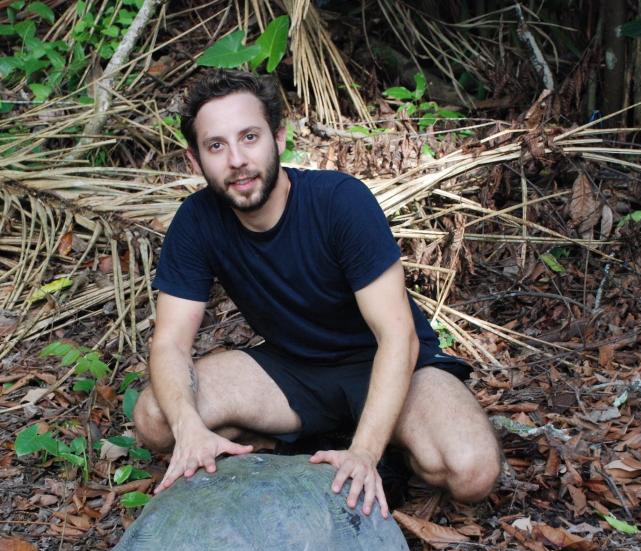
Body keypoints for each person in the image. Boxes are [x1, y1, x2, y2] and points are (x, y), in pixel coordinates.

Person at [133, 70, 501, 519]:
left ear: (278, 138)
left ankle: (382, 445)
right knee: (156, 417)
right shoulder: (196, 221)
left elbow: (397, 336)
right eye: (216, 146)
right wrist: (189, 427)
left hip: (388, 367)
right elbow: (170, 342)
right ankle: (310, 440)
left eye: (249, 137)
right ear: (195, 162)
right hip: (296, 375)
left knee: (472, 471)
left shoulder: (339, 202)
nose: (236, 160)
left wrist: (364, 453)